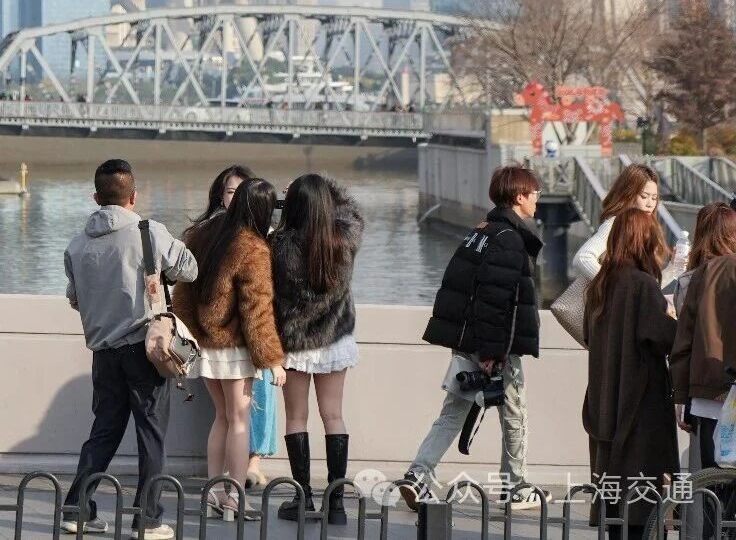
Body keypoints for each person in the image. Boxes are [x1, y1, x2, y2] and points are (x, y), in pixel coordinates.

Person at [62, 158, 197, 540]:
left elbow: (75, 297)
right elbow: (189, 269)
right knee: (150, 435)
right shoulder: (148, 231)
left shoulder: (77, 245)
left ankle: (77, 510)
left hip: (103, 353)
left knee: (103, 431)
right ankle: (148, 519)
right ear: (133, 196)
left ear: (96, 197)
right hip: (145, 349)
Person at [398, 162, 543, 511]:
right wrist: (493, 352)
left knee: (453, 412)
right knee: (515, 415)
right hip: (494, 345)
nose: (537, 199)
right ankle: (516, 487)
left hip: (467, 339)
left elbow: (462, 289)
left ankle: (418, 474)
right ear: (519, 196)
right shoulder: (509, 240)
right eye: (534, 193)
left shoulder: (481, 231)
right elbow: (495, 301)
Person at [173, 178, 287, 519]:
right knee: (240, 421)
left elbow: (182, 294)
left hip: (205, 345)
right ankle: (236, 497)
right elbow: (257, 310)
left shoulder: (202, 234)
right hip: (235, 349)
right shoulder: (253, 247)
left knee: (222, 418)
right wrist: (272, 360)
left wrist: (194, 337)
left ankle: (214, 493)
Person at [271, 173, 364, 526]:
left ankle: (303, 498)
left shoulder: (279, 245)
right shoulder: (345, 238)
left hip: (295, 344)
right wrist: (328, 188)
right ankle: (336, 503)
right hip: (335, 338)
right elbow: (353, 211)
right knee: (333, 415)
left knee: (297, 417)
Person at [584, 208, 678, 531]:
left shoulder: (600, 284)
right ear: (645, 241)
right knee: (642, 494)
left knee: (613, 489)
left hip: (604, 399)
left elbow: (587, 335)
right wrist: (674, 317)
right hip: (639, 401)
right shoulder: (643, 285)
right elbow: (664, 338)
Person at [671, 201, 736, 529]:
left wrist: (681, 396)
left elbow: (682, 344)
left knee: (710, 486)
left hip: (705, 398)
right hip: (731, 392)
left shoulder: (697, 277)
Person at [573, 163, 662, 280]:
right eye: (644, 196)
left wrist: (674, 267)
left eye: (654, 198)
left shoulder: (646, 230)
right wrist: (613, 285)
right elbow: (583, 258)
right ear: (627, 195)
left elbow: (646, 286)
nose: (650, 204)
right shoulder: (614, 224)